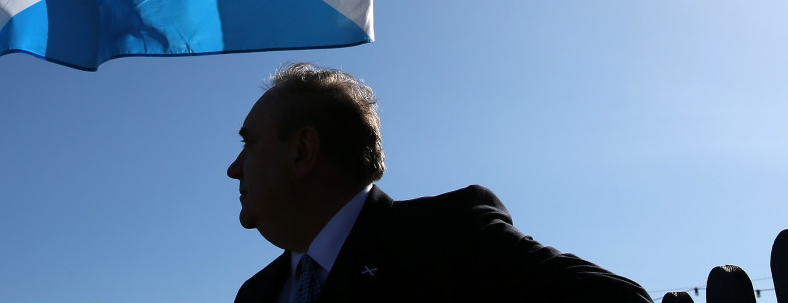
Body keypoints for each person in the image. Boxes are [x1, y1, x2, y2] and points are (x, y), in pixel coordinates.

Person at [226, 63, 652, 303]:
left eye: (249, 144)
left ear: (302, 150)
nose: (234, 168)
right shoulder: (255, 295)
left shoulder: (451, 238)